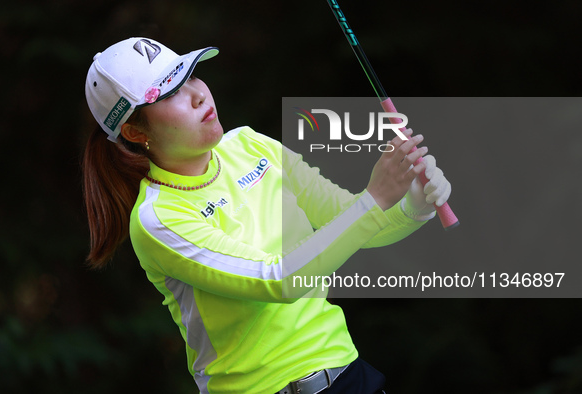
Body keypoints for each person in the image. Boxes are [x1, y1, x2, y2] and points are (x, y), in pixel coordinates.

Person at [82, 37, 451, 394]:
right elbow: (277, 280)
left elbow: (351, 224)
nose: (197, 94)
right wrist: (373, 200)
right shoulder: (157, 219)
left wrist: (412, 208)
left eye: (189, 74)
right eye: (169, 92)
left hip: (346, 373)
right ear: (133, 130)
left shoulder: (250, 144)